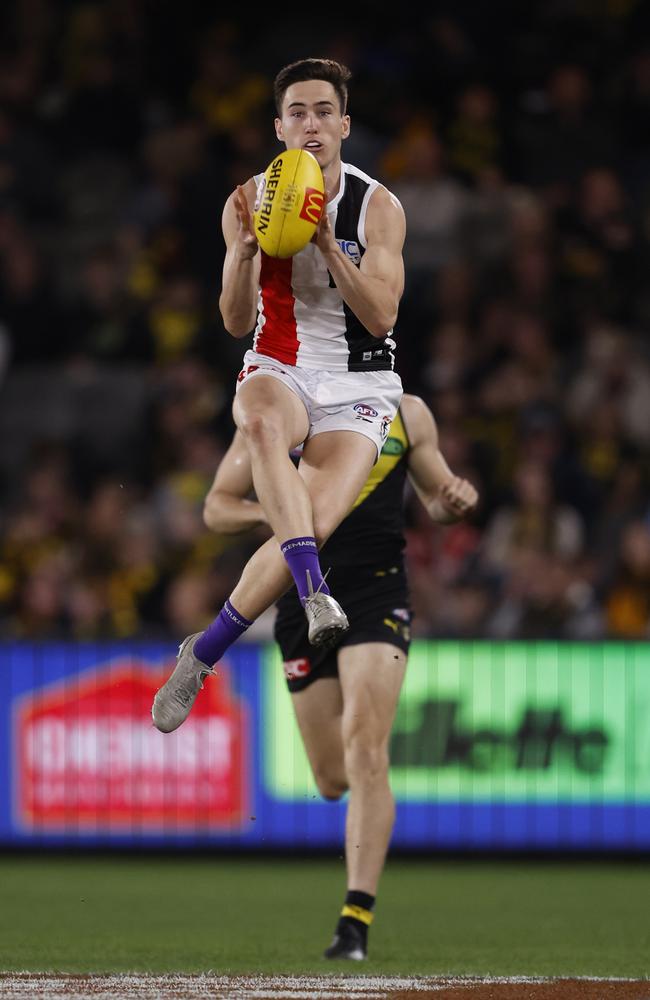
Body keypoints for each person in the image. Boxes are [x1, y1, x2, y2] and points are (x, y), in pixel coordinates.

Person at [152, 57, 406, 734]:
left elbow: (381, 316)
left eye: (324, 110)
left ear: (344, 125)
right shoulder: (248, 197)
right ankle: (314, 591)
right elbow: (236, 322)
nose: (311, 123)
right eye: (297, 111)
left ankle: (201, 653)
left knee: (311, 524)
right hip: (281, 362)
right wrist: (239, 253)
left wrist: (327, 243)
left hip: (359, 382)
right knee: (260, 422)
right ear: (279, 126)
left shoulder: (377, 205)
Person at [202, 393, 479, 960]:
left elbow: (437, 503)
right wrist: (284, 511)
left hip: (378, 591)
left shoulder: (406, 413)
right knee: (333, 778)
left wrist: (454, 499)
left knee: (366, 748)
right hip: (300, 598)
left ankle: (355, 919)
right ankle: (365, 808)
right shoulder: (278, 408)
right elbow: (215, 507)